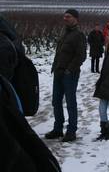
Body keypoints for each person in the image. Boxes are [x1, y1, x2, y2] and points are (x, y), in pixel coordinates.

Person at [0, 16, 61, 172]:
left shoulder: (5, 45)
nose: (65, 19)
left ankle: (64, 128)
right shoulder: (9, 40)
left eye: (69, 16)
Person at [45, 9, 87, 142]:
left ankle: (71, 131)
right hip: (58, 72)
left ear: (75, 18)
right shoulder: (64, 33)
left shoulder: (78, 35)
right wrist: (54, 66)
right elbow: (59, 53)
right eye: (64, 17)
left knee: (70, 103)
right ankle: (58, 129)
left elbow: (81, 56)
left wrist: (69, 69)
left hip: (70, 74)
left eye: (68, 17)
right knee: (56, 101)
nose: (65, 19)